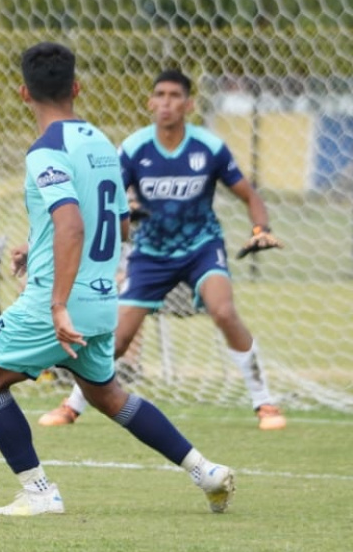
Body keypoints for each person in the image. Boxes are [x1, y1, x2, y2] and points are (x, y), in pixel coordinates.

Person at [0, 42, 235, 517]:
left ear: (22, 93)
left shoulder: (44, 152)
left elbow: (71, 224)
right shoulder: (99, 142)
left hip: (60, 302)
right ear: (76, 88)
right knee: (106, 394)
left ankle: (39, 492)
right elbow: (119, 224)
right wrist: (37, 248)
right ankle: (205, 471)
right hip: (101, 297)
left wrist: (56, 304)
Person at [39, 68, 286, 431]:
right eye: (161, 95)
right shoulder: (135, 148)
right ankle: (73, 405)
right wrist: (128, 207)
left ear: (189, 104)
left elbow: (249, 195)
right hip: (150, 254)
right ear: (150, 102)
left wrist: (260, 228)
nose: (167, 102)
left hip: (201, 247)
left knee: (223, 310)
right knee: (118, 338)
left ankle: (264, 402)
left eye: (175, 96)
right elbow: (107, 194)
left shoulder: (209, 147)